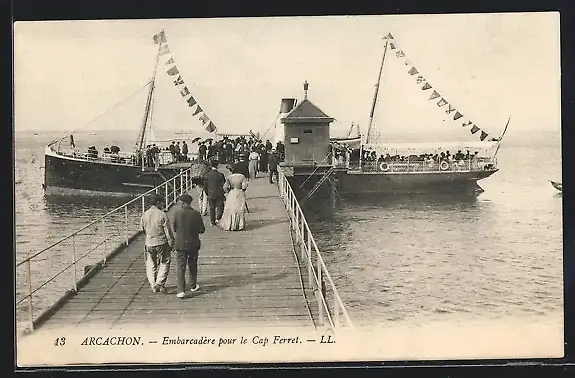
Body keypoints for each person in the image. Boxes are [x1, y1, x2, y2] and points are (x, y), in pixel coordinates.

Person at [171, 193, 205, 298]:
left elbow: (175, 228)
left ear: (183, 203)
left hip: (181, 244)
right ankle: (193, 285)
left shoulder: (177, 214)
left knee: (181, 266)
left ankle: (181, 290)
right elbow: (202, 230)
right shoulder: (196, 214)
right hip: (193, 243)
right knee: (192, 265)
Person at [140, 194, 174, 294]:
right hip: (161, 242)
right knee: (165, 261)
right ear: (158, 203)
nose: (163, 204)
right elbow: (168, 231)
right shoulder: (162, 214)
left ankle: (152, 284)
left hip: (149, 243)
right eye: (162, 202)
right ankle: (160, 282)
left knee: (151, 263)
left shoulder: (144, 214)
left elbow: (141, 229)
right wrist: (171, 243)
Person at [219, 165, 249, 231]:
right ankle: (238, 224)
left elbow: (225, 187)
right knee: (239, 208)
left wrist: (228, 190)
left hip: (232, 193)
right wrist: (243, 189)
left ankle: (229, 224)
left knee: (230, 208)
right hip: (239, 192)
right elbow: (244, 185)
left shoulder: (230, 177)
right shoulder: (242, 177)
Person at [204, 160, 226, 225]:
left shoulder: (207, 175)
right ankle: (218, 219)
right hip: (219, 193)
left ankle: (212, 221)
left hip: (210, 193)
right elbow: (224, 184)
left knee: (211, 208)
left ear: (211, 165)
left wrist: (207, 192)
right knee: (220, 207)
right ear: (217, 166)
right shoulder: (221, 175)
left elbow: (205, 185)